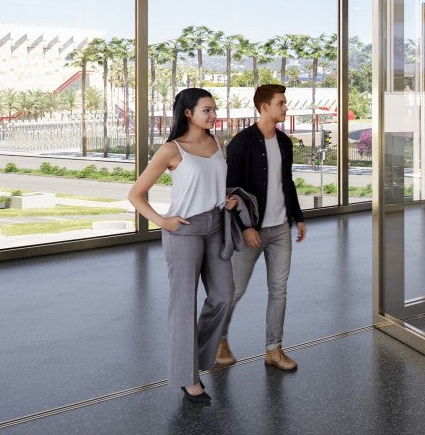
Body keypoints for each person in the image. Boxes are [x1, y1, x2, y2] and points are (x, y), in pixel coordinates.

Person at [127, 88, 238, 405]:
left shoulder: (215, 142)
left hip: (216, 224)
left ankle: (188, 358)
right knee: (183, 304)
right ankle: (188, 378)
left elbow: (214, 181)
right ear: (188, 112)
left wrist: (225, 198)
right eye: (207, 110)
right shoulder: (171, 150)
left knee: (223, 295)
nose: (213, 115)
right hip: (184, 230)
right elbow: (136, 194)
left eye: (214, 109)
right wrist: (163, 222)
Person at [217, 84, 307, 372]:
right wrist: (245, 227)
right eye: (281, 103)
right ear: (264, 106)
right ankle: (217, 337)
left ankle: (273, 349)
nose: (285, 107)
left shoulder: (284, 143)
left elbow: (287, 182)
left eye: (285, 102)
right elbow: (232, 189)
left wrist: (299, 217)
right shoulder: (241, 143)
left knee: (279, 290)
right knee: (236, 290)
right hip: (252, 231)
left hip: (280, 229)